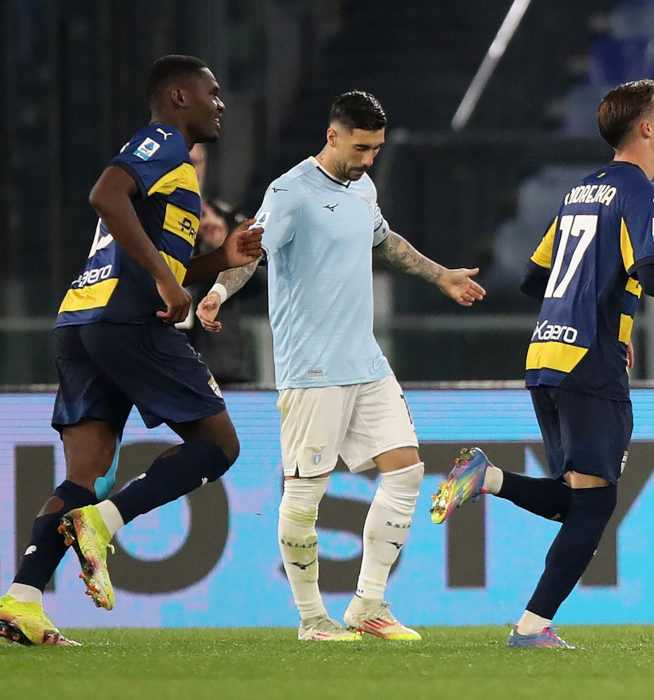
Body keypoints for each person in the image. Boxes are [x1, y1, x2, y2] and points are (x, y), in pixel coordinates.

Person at [430, 79, 654, 648]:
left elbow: (531, 277)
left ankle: (487, 478)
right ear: (645, 128)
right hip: (590, 363)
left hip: (547, 353)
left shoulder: (580, 191)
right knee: (596, 504)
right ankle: (532, 625)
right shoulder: (641, 193)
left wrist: (591, 305)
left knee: (579, 498)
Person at [0, 55, 263, 646]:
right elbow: (104, 195)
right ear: (179, 97)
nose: (220, 104)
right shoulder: (162, 141)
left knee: (85, 474)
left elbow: (165, 257)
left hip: (82, 316)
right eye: (212, 92)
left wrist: (222, 259)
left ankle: (22, 599)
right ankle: (104, 526)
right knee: (219, 445)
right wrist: (166, 285)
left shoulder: (176, 178)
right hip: (125, 317)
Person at [197, 90, 486, 643]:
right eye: (361, 148)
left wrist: (440, 274)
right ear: (332, 137)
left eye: (376, 149)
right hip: (311, 368)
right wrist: (215, 292)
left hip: (365, 360)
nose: (369, 159)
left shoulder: (363, 185)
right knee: (306, 493)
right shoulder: (289, 192)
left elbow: (383, 240)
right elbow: (249, 253)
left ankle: (368, 605)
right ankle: (311, 620)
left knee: (404, 471)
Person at [180, 142, 263, 386]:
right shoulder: (149, 219)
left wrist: (221, 248)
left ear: (204, 167)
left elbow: (257, 285)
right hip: (165, 350)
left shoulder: (228, 219)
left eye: (195, 163)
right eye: (182, 163)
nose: (190, 170)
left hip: (221, 358)